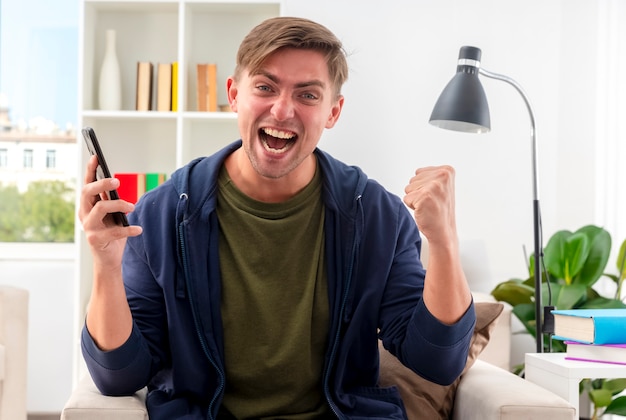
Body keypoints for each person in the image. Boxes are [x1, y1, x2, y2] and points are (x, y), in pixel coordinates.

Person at [79, 16, 475, 419]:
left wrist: (444, 243)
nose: (283, 110)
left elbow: (436, 363)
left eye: (307, 95)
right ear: (234, 95)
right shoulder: (161, 215)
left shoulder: (376, 216)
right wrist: (106, 266)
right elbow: (119, 377)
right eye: (265, 88)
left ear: (333, 112)